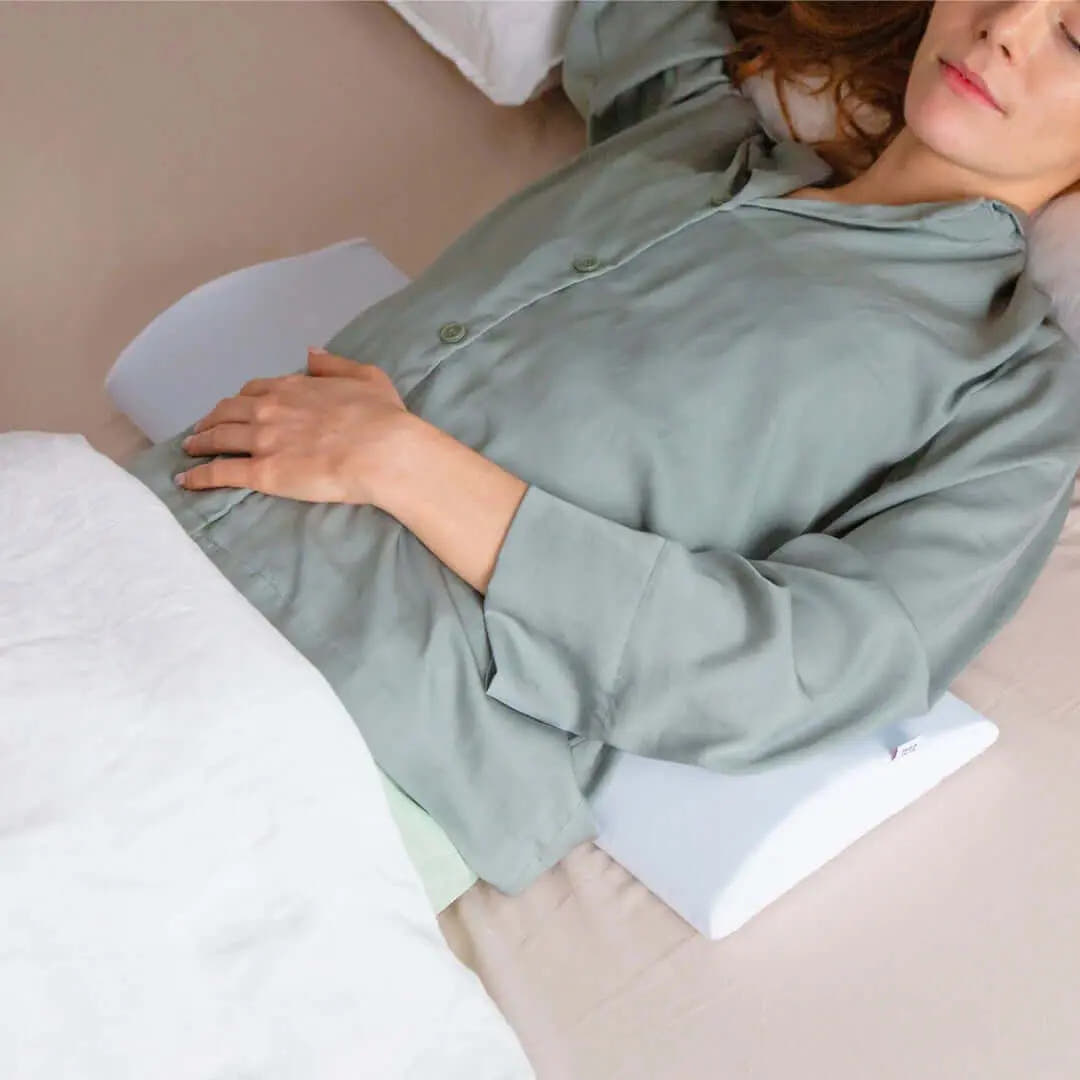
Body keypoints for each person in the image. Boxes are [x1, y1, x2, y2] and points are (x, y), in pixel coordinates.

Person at [125, 1, 1080, 896]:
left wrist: (407, 465)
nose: (1002, 29)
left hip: (369, 733)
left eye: (1074, 38)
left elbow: (811, 665)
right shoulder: (699, 126)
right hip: (142, 533)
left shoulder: (1015, 385)